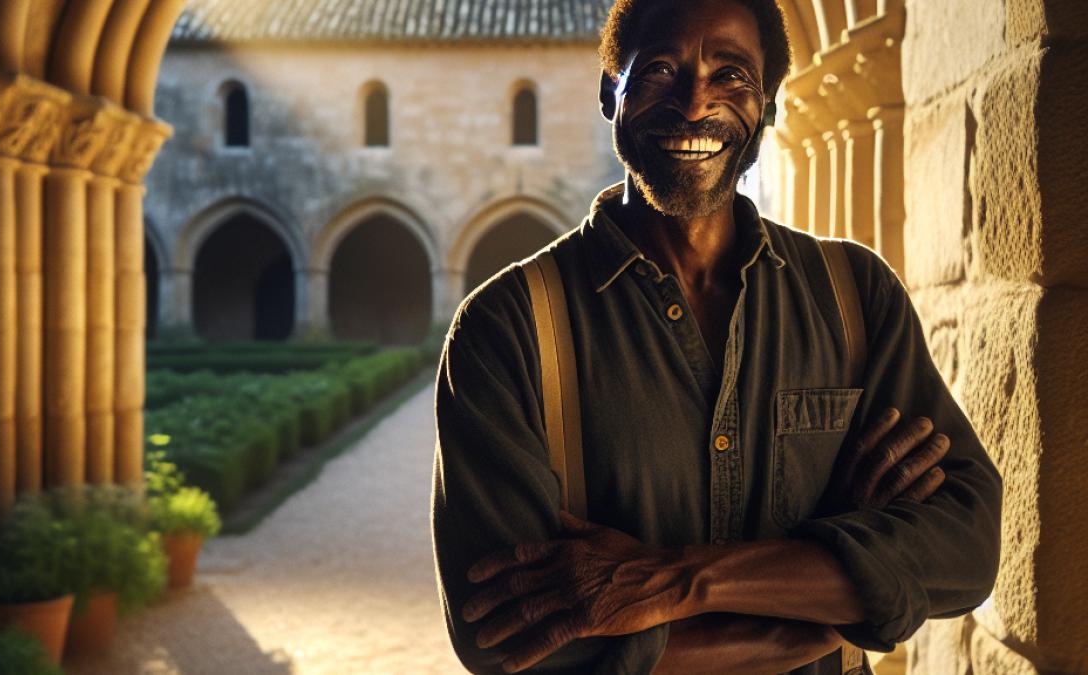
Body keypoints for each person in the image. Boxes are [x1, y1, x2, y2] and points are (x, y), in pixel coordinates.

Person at [430, 0, 1003, 672]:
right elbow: (501, 637)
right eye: (661, 71)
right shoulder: (507, 330)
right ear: (610, 92)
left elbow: (965, 546)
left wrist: (678, 581)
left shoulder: (855, 294)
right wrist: (828, 604)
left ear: (768, 105)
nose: (695, 103)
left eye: (731, 75)